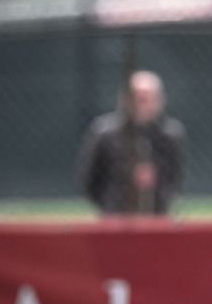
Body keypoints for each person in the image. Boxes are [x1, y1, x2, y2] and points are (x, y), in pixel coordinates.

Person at [78, 70, 186, 216]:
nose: (141, 105)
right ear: (125, 100)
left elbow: (175, 178)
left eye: (148, 99)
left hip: (158, 214)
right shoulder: (104, 133)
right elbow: (89, 180)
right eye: (137, 99)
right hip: (116, 216)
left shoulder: (170, 135)